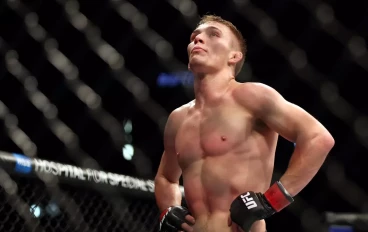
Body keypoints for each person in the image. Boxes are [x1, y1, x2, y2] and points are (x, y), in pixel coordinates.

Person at [154, 14, 335, 232]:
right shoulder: (178, 119)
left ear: (234, 56)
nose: (198, 40)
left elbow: (318, 138)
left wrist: (270, 201)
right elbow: (166, 177)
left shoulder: (252, 96)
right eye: (194, 37)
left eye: (213, 35)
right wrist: (168, 209)